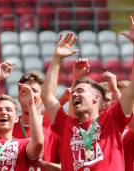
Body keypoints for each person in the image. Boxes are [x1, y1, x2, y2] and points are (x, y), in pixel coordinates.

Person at [41, 15, 134, 170]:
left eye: (81, 91)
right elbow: (47, 96)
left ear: (96, 98)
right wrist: (56, 58)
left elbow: (131, 91)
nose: (75, 94)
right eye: (74, 92)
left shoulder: (112, 119)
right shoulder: (66, 125)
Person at [0, 85, 43, 170]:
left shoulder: (23, 145)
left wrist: (31, 105)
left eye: (8, 110)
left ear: (16, 118)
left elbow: (38, 143)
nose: (3, 112)